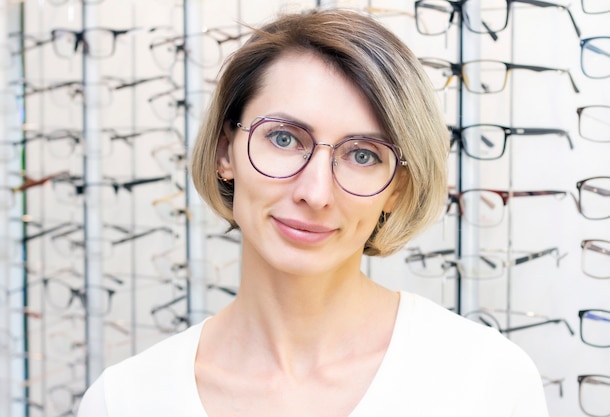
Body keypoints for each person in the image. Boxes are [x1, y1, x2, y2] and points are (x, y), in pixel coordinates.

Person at [78, 8, 549, 417]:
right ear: (226, 152)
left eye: (363, 154)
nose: (316, 192)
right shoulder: (124, 401)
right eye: (284, 138)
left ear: (397, 186)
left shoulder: (489, 381)